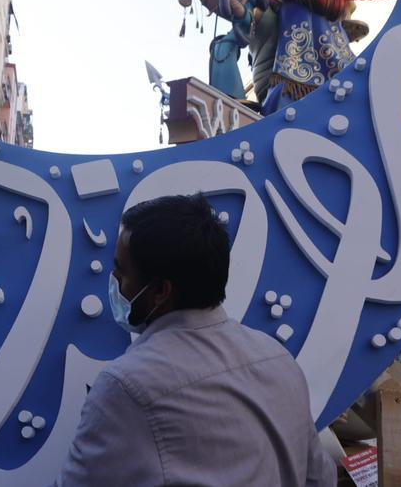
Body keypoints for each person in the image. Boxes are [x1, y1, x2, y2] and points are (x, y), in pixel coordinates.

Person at [58, 194, 335, 486]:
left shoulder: (126, 387)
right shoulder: (278, 360)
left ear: (161, 291)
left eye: (122, 272)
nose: (114, 281)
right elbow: (320, 478)